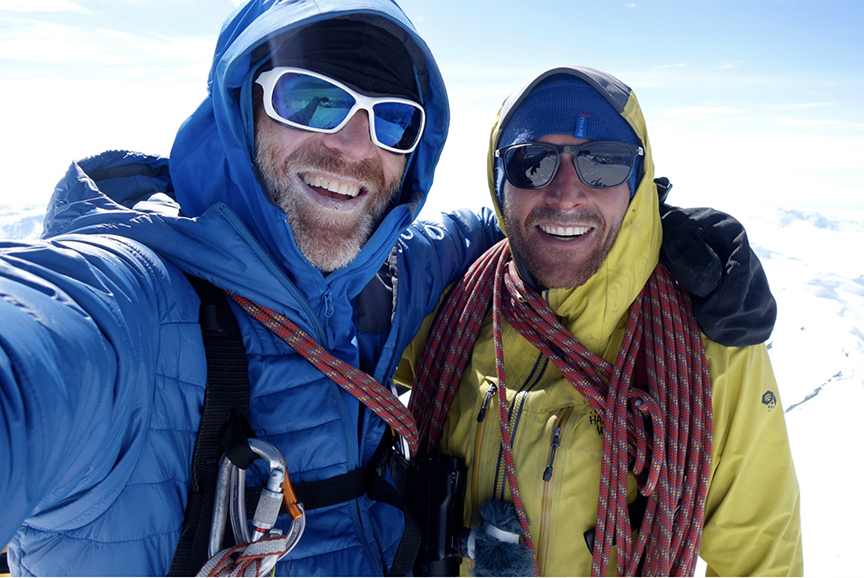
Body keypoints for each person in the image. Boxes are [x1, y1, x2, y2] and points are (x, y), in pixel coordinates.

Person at [0, 0, 777, 575]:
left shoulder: (385, 288)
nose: (350, 147)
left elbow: (515, 223)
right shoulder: (122, 308)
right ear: (239, 106)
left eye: (390, 121)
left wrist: (652, 231)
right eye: (310, 99)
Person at [401, 66, 803, 577]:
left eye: (603, 164)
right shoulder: (455, 308)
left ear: (637, 186)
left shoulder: (707, 352)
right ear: (500, 183)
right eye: (532, 163)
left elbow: (763, 561)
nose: (567, 193)